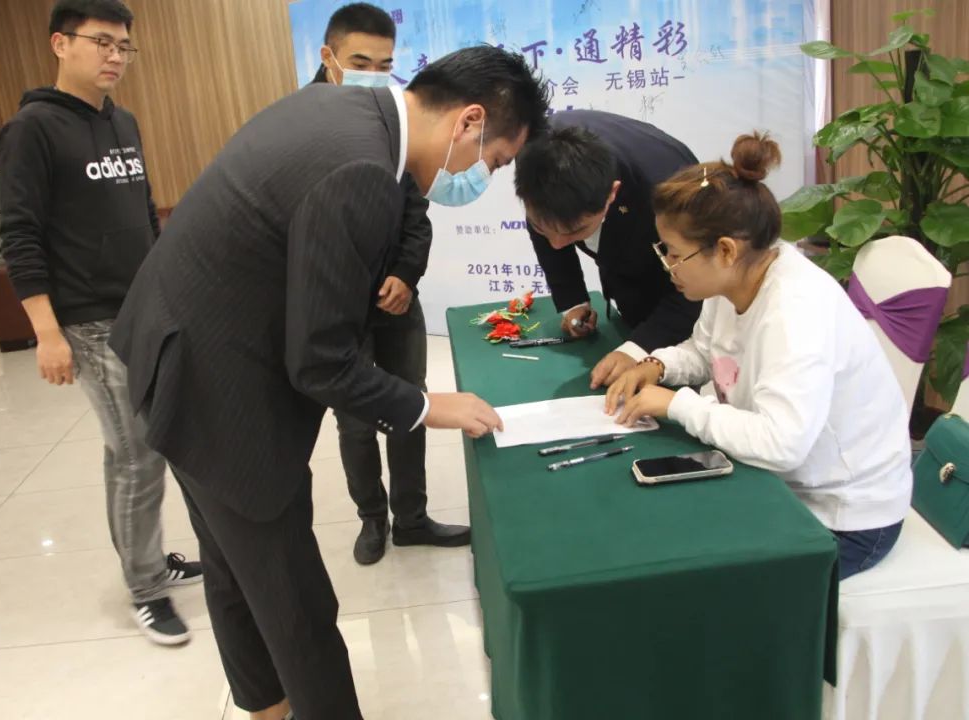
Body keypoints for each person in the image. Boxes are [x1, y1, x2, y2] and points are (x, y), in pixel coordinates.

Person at [109, 46, 549, 720]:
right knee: (296, 603)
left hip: (173, 353)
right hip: (217, 393)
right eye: (493, 160)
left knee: (232, 569)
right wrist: (427, 405)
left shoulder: (343, 108)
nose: (479, 175)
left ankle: (267, 708)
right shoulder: (362, 170)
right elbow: (319, 362)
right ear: (468, 121)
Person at [605, 132, 911, 580]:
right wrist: (657, 366)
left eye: (673, 253)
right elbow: (706, 350)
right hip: (782, 483)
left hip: (844, 518)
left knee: (698, 575)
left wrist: (676, 405)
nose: (667, 264)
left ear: (726, 250)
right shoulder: (736, 279)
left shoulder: (795, 312)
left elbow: (781, 444)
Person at [0, 0, 201, 646]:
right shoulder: (32, 128)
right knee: (137, 451)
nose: (116, 56)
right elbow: (20, 234)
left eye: (124, 46)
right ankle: (146, 588)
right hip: (87, 321)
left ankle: (149, 559)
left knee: (141, 446)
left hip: (143, 307)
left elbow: (142, 212)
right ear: (61, 44)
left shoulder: (123, 121)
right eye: (102, 42)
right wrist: (46, 332)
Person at [313, 3, 470, 565]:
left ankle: (411, 518)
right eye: (361, 63)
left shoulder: (392, 121)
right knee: (355, 421)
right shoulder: (304, 126)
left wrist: (405, 273)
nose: (374, 77)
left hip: (398, 300)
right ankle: (371, 519)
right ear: (328, 57)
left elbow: (415, 212)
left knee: (410, 405)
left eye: (385, 66)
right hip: (339, 307)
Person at [513, 111, 702, 389]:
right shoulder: (536, 158)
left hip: (673, 279)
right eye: (543, 229)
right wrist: (573, 300)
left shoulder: (670, 193)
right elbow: (548, 222)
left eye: (576, 231)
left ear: (611, 193)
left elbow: (695, 289)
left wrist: (638, 348)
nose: (557, 244)